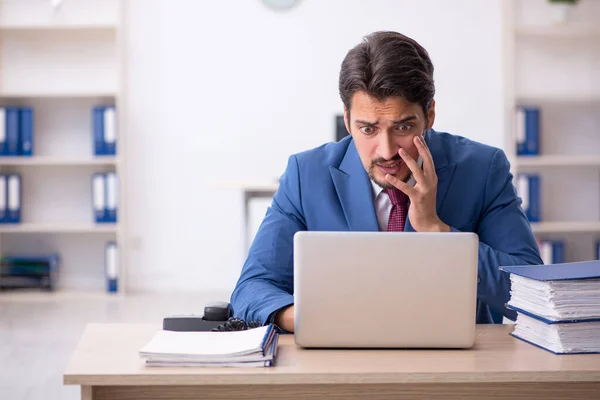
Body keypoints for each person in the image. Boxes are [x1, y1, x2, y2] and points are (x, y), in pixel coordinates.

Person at [230, 31, 543, 332]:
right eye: (367, 129)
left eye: (403, 128)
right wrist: (305, 317)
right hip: (340, 364)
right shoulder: (305, 174)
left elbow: (534, 296)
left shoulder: (482, 170)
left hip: (454, 368)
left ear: (429, 115)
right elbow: (252, 288)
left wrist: (439, 232)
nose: (387, 150)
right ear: (348, 119)